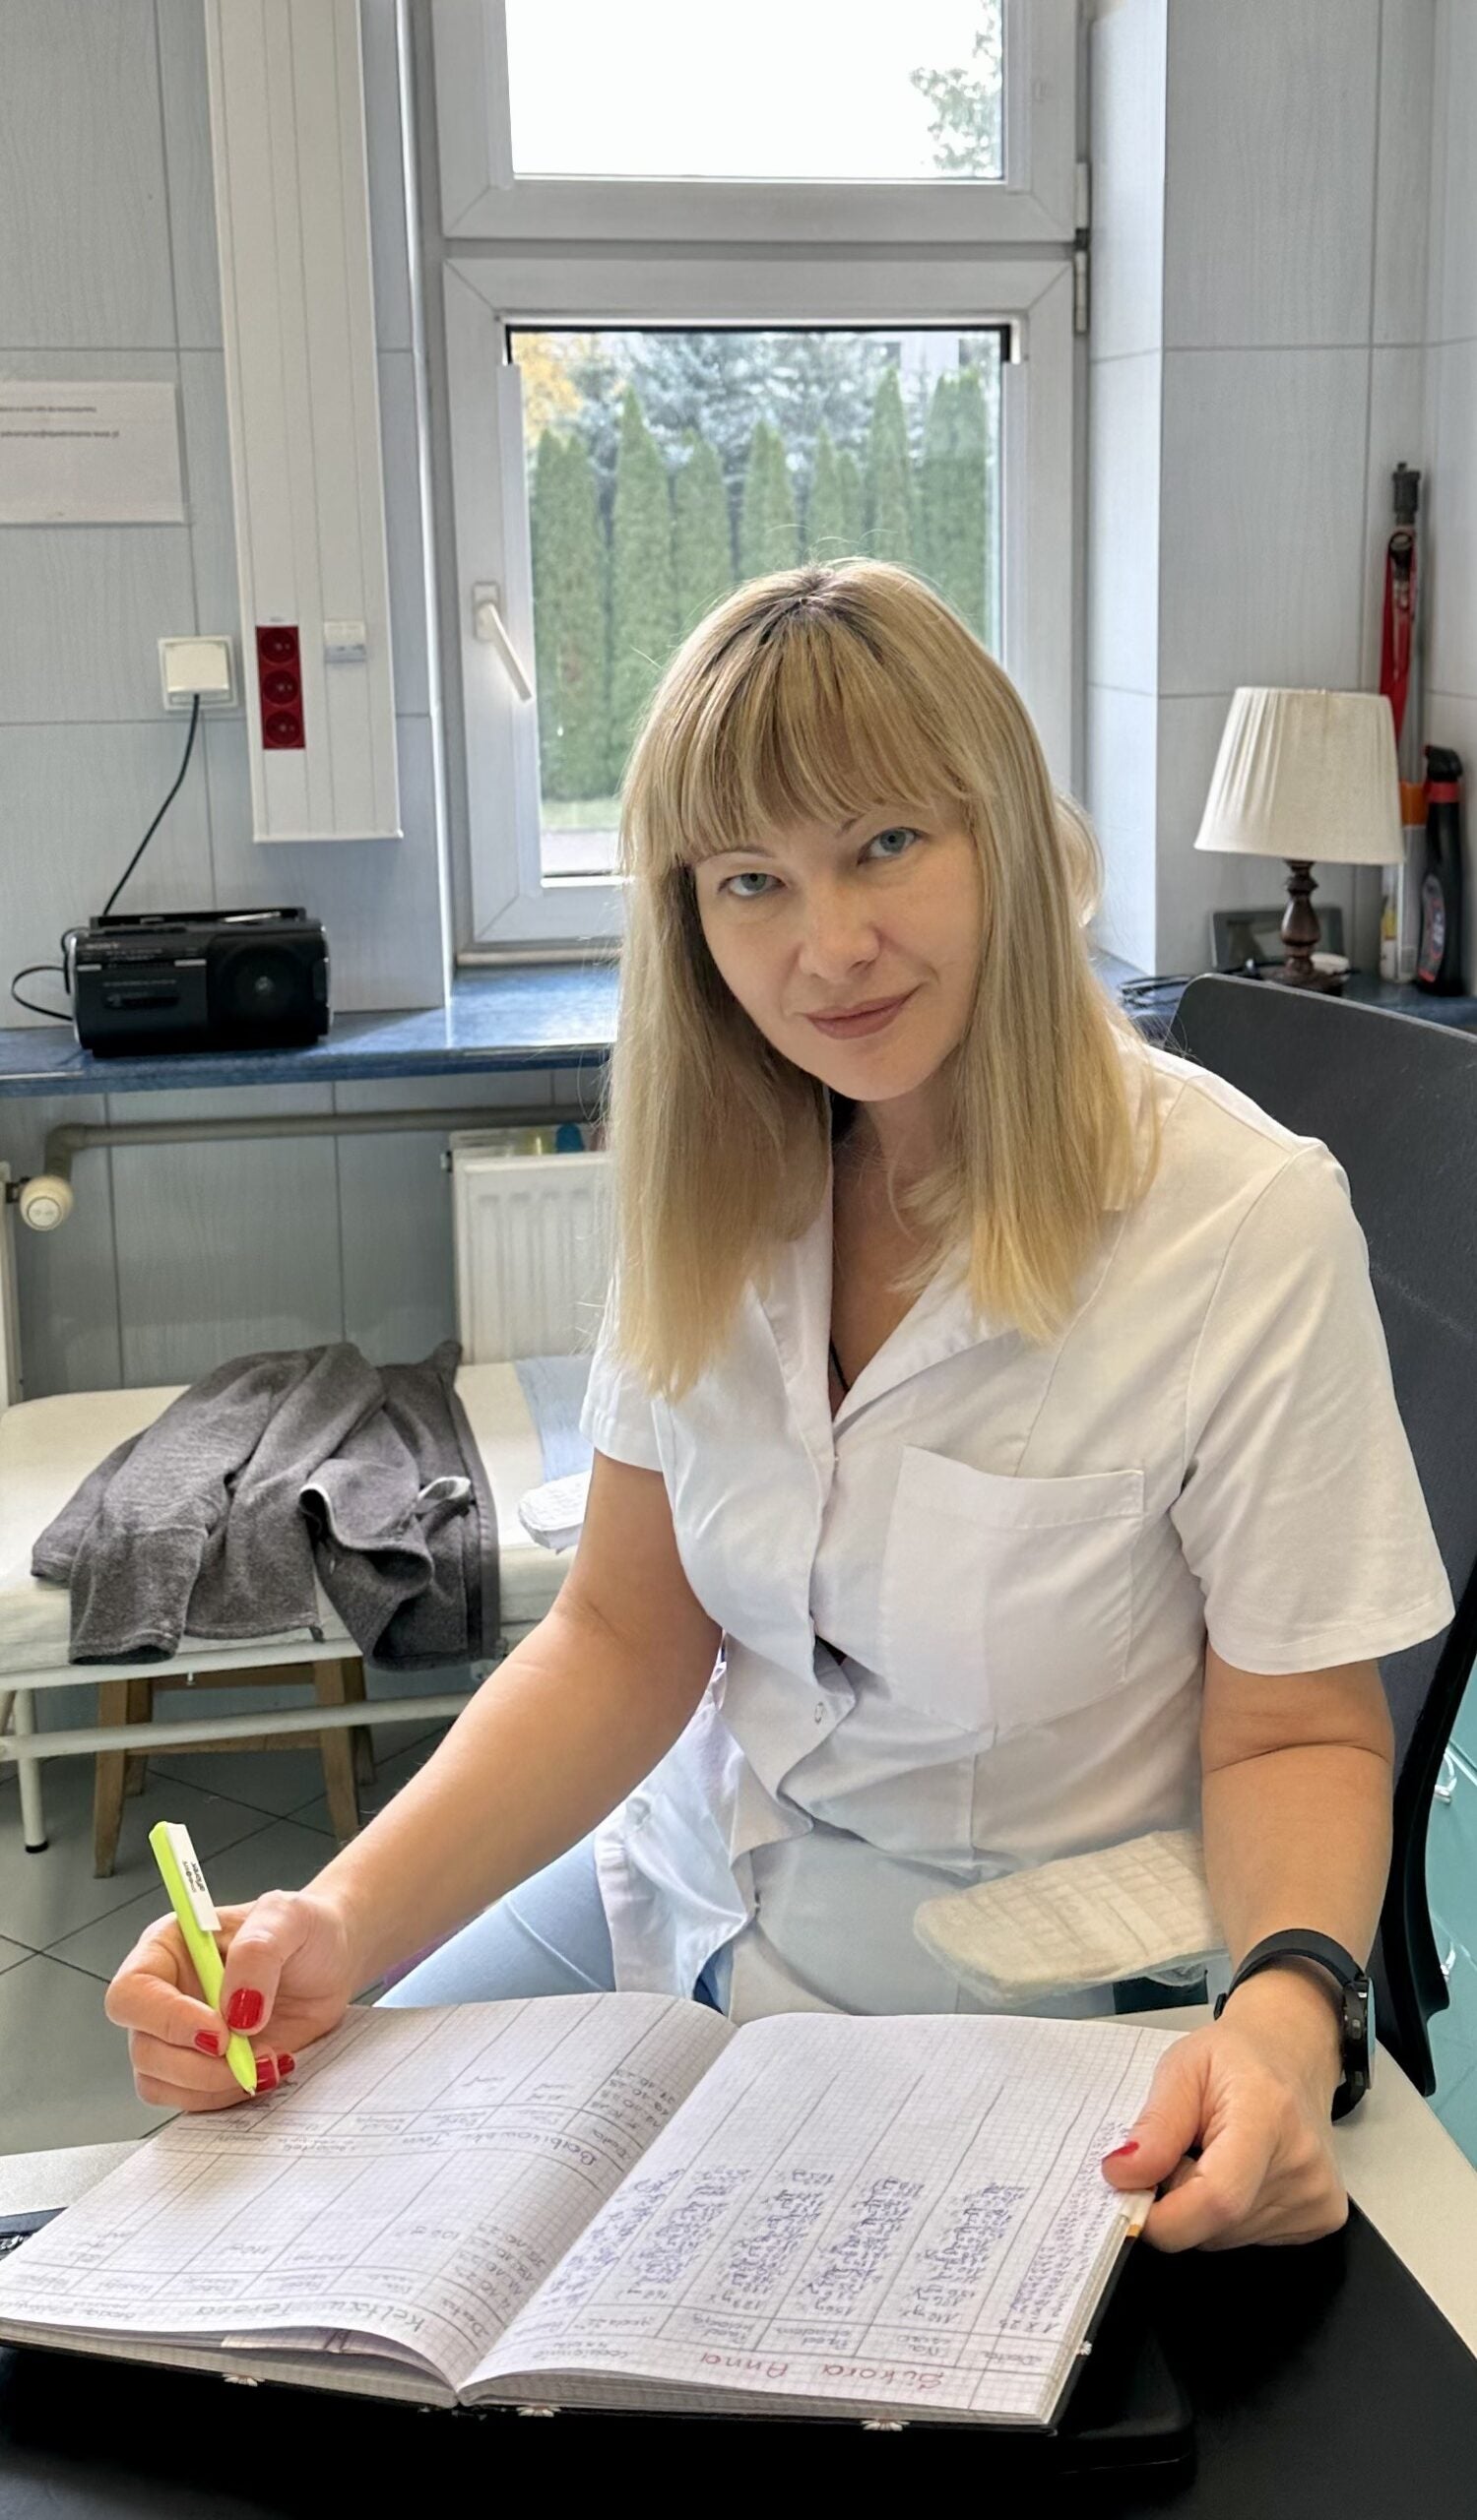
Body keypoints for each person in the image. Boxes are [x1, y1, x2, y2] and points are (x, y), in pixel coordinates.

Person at [106, 561, 1453, 2252]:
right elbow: (620, 1635)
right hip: (682, 1880)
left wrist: (1279, 2015)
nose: (829, 948)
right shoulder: (719, 1180)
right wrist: (330, 1917)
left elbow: (1298, 1731)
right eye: (754, 879)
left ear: (1009, 842)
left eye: (887, 843)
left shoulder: (1235, 1224)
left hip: (1011, 1991)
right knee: (283, 2212)